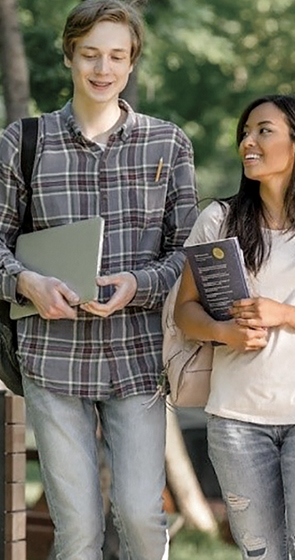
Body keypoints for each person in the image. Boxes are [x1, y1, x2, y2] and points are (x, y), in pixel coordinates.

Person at [0, 0, 198, 558]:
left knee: (139, 517)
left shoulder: (169, 144)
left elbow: (187, 253)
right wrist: (25, 282)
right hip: (50, 357)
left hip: (137, 357)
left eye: (116, 56)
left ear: (132, 63)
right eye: (90, 54)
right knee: (79, 529)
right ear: (69, 56)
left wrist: (140, 283)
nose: (102, 69)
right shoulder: (24, 141)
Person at [174, 94, 295, 560]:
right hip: (237, 420)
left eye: (264, 131)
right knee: (260, 553)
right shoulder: (217, 220)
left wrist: (281, 314)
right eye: (246, 132)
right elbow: (185, 312)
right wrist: (226, 333)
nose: (248, 141)